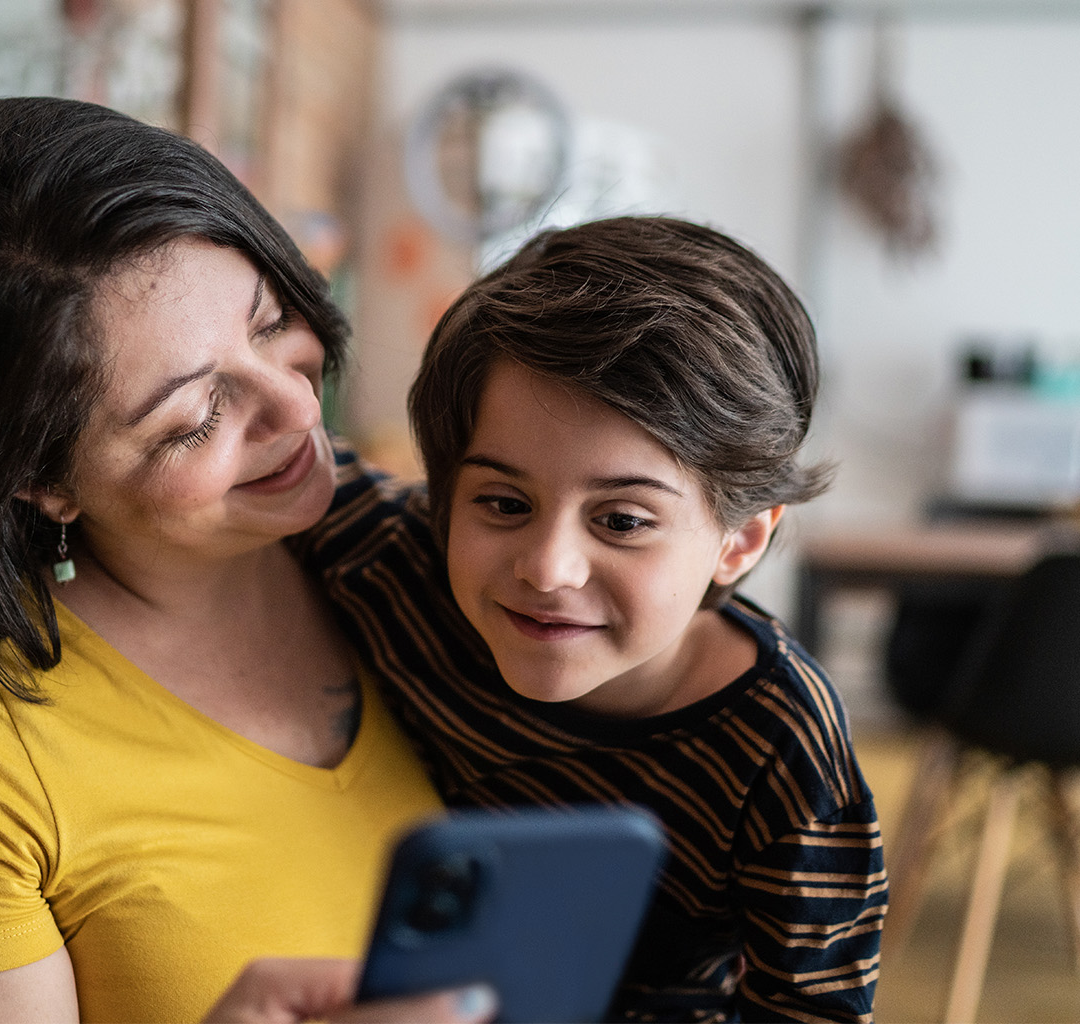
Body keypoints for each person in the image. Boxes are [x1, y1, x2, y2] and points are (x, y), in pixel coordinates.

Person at [0, 95, 498, 1024]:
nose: (296, 410)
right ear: (33, 480)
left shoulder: (401, 554)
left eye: (272, 324)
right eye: (193, 422)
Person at [296, 217, 888, 1022]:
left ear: (740, 540)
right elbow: (256, 459)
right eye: (503, 503)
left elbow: (812, 1010)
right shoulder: (390, 559)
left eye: (622, 521)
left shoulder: (783, 746)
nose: (547, 568)